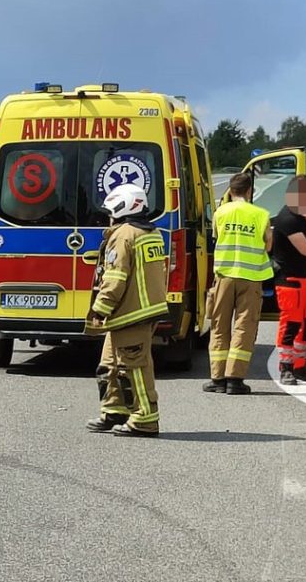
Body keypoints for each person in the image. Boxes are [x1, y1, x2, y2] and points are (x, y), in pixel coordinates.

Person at [84, 184, 169, 437]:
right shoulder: (150, 232)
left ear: (122, 207)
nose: (108, 216)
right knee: (108, 365)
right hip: (137, 312)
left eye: (110, 211)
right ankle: (114, 410)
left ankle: (145, 418)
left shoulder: (123, 235)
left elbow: (116, 278)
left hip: (130, 313)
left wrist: (99, 309)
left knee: (135, 368)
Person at [205, 172, 273, 394]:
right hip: (251, 278)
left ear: (230, 191)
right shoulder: (261, 214)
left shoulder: (220, 212)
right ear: (249, 191)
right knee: (244, 327)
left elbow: (216, 237)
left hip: (224, 277)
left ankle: (217, 379)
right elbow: (268, 245)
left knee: (219, 325)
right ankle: (235, 379)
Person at [270, 175, 306, 386]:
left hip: (304, 280)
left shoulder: (302, 217)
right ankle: (286, 367)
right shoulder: (287, 219)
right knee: (291, 325)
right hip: (289, 282)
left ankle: (300, 365)